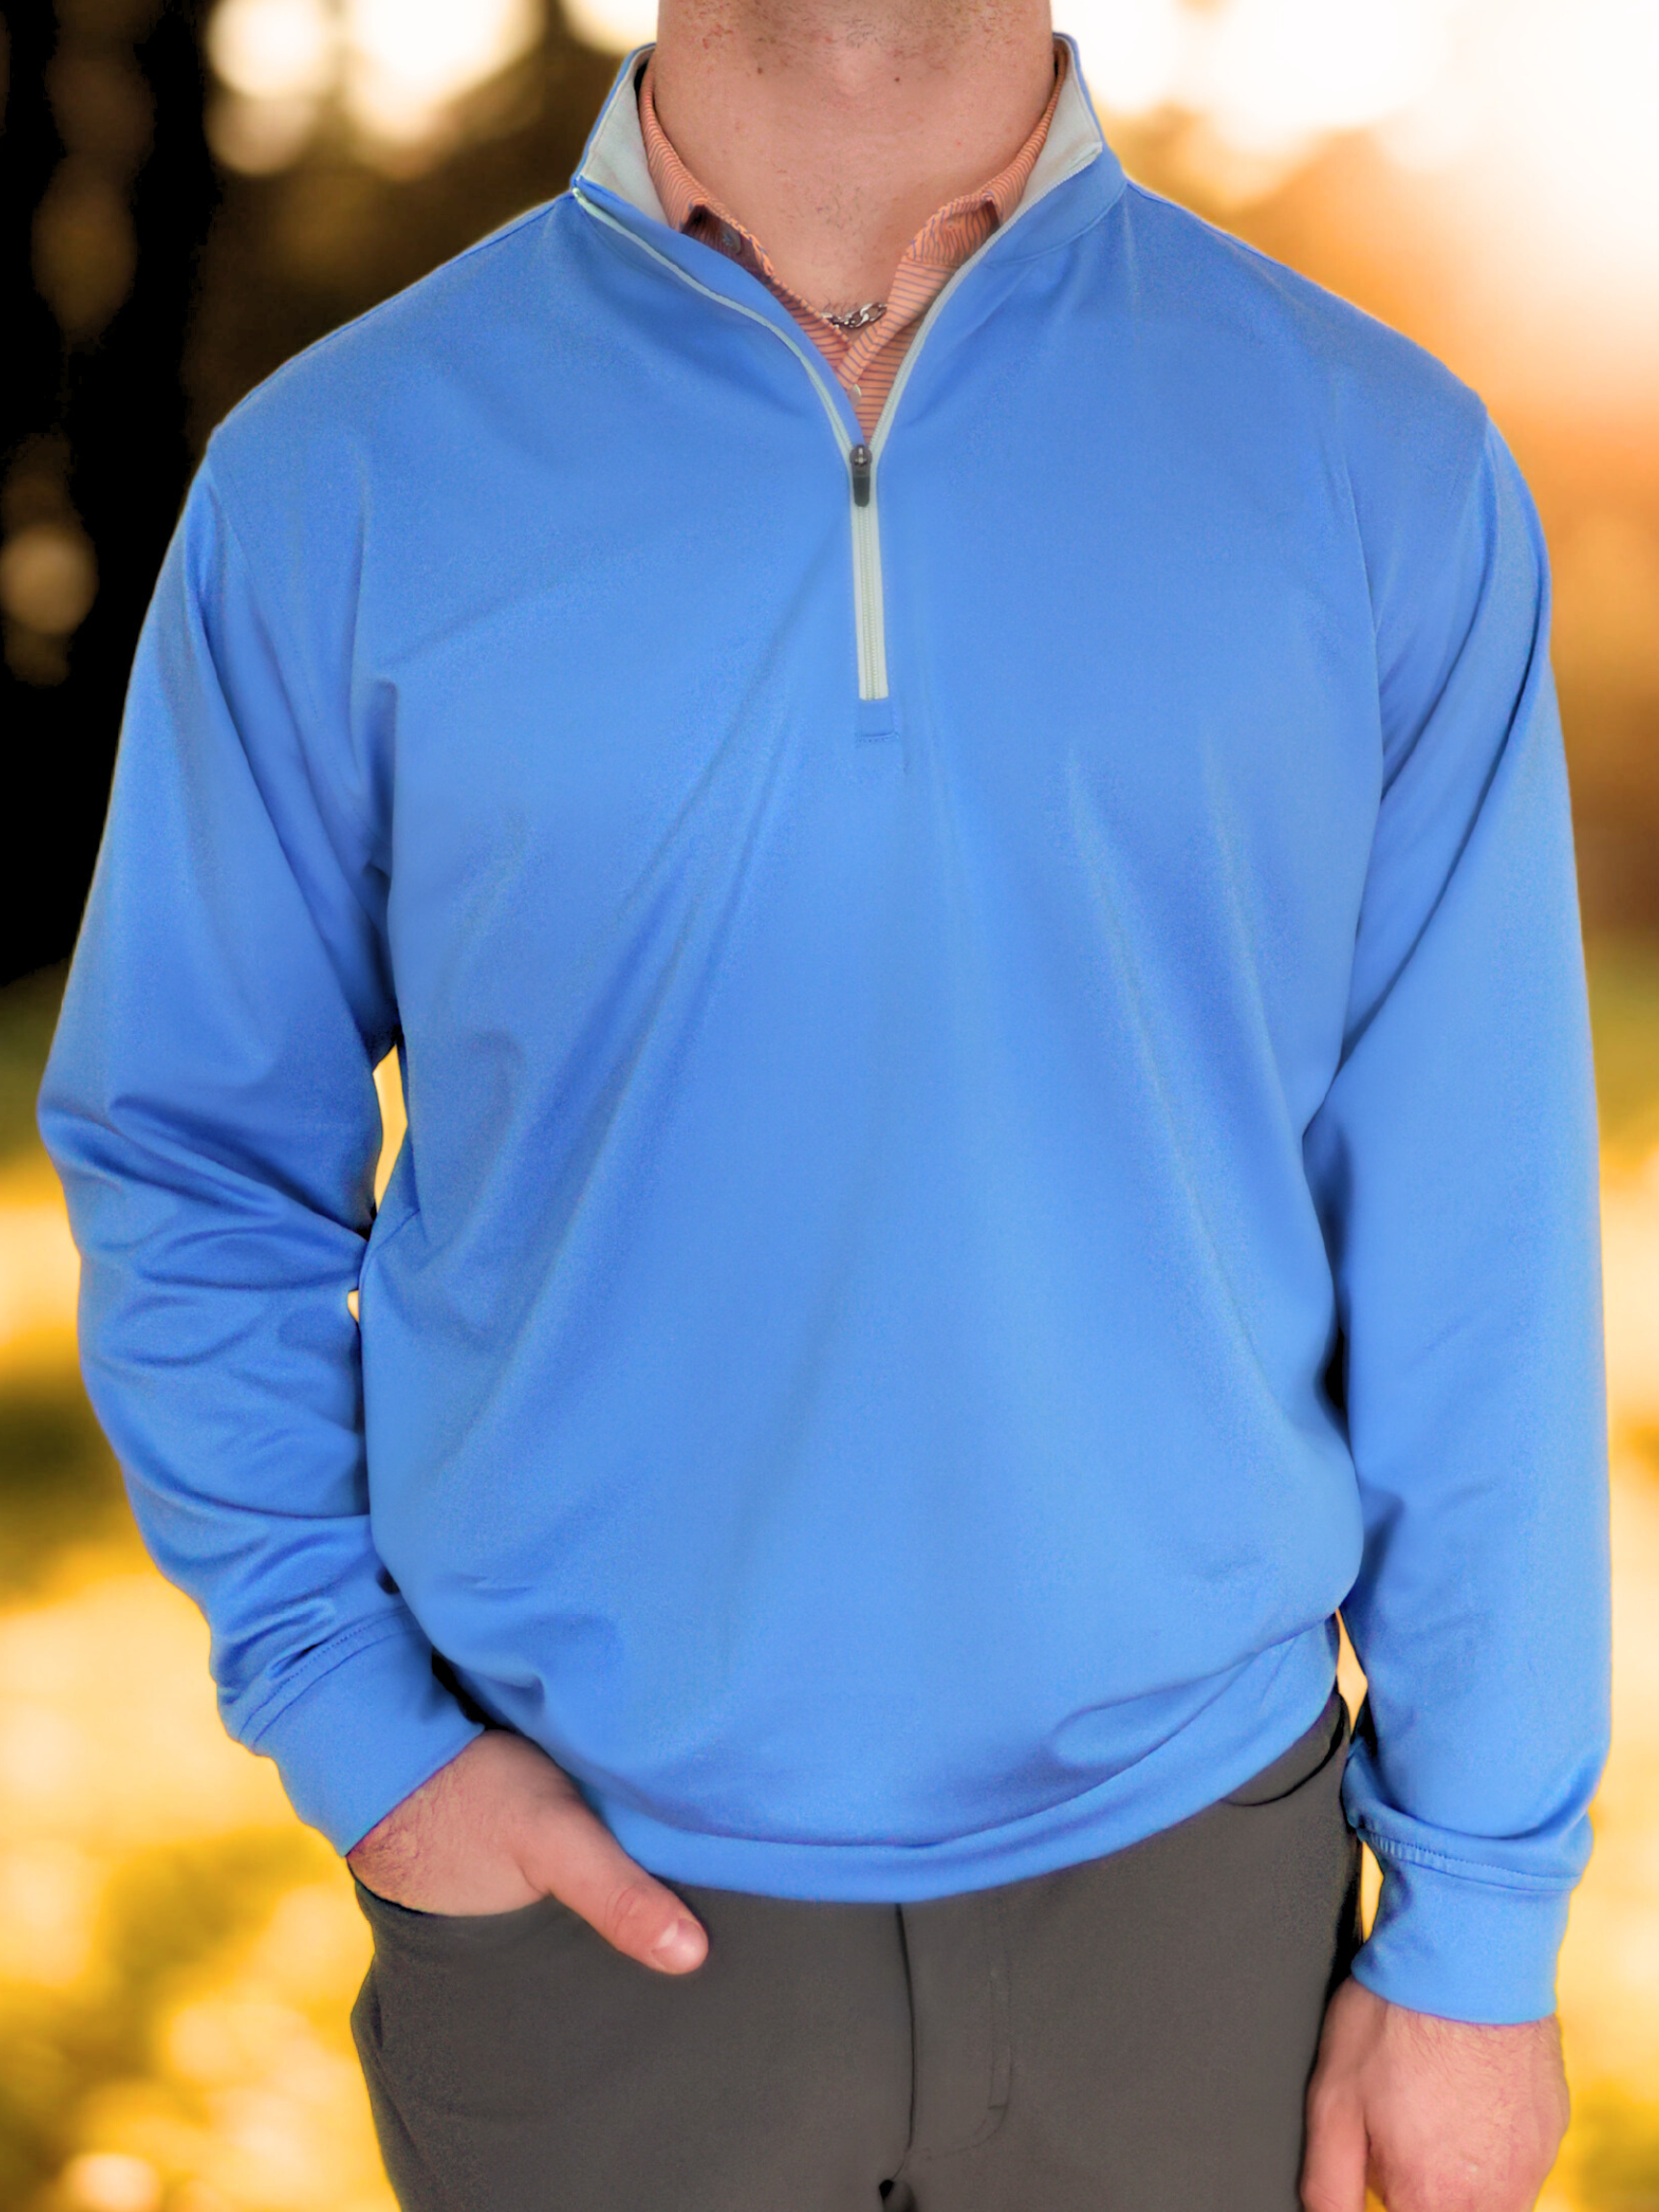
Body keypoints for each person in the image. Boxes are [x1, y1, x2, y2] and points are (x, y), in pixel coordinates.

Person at [39, 0, 1610, 2204]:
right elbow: (191, 1154)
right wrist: (366, 1743)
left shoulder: (1378, 461)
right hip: (581, 1927)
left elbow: (1476, 1240)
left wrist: (1480, 1932)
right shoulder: (337, 474)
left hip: (1206, 1910)